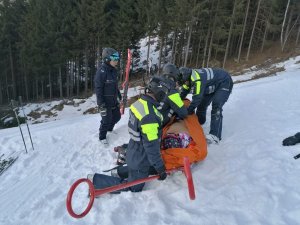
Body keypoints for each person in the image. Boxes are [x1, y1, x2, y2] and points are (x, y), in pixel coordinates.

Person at [88, 76, 169, 192]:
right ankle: (95, 182)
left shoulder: (141, 103)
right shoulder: (150, 116)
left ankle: (118, 172)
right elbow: (151, 145)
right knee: (134, 187)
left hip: (133, 149)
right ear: (160, 94)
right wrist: (160, 168)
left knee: (140, 169)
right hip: (141, 157)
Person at [178, 67, 233, 144]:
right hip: (211, 86)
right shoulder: (188, 79)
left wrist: (187, 112)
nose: (185, 84)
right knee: (201, 106)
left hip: (224, 82)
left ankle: (215, 136)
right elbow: (183, 93)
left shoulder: (197, 78)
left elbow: (197, 98)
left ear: (186, 77)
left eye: (185, 82)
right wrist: (176, 104)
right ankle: (199, 124)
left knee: (216, 105)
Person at [94, 47, 122, 146]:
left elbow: (115, 86)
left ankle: (110, 130)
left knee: (117, 117)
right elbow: (98, 89)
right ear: (107, 59)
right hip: (105, 102)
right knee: (106, 120)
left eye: (117, 58)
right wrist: (101, 104)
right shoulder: (101, 72)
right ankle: (102, 137)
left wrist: (119, 95)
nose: (116, 60)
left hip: (113, 100)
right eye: (114, 58)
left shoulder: (113, 71)